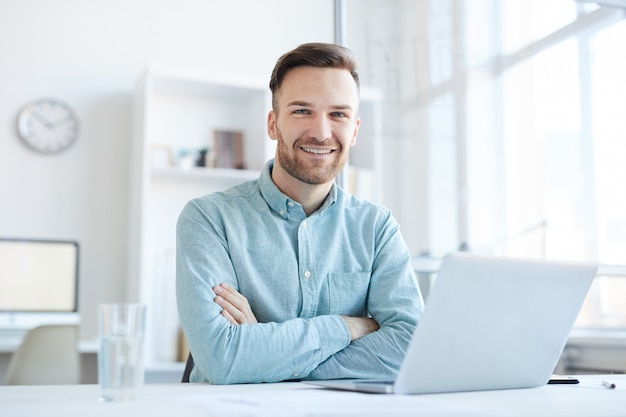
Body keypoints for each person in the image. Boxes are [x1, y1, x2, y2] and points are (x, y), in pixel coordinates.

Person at [176, 42, 423, 384]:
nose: (321, 132)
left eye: (338, 114)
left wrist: (265, 355)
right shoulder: (209, 219)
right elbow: (223, 359)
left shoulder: (377, 228)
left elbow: (409, 349)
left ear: (354, 130)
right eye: (302, 111)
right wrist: (347, 326)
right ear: (273, 124)